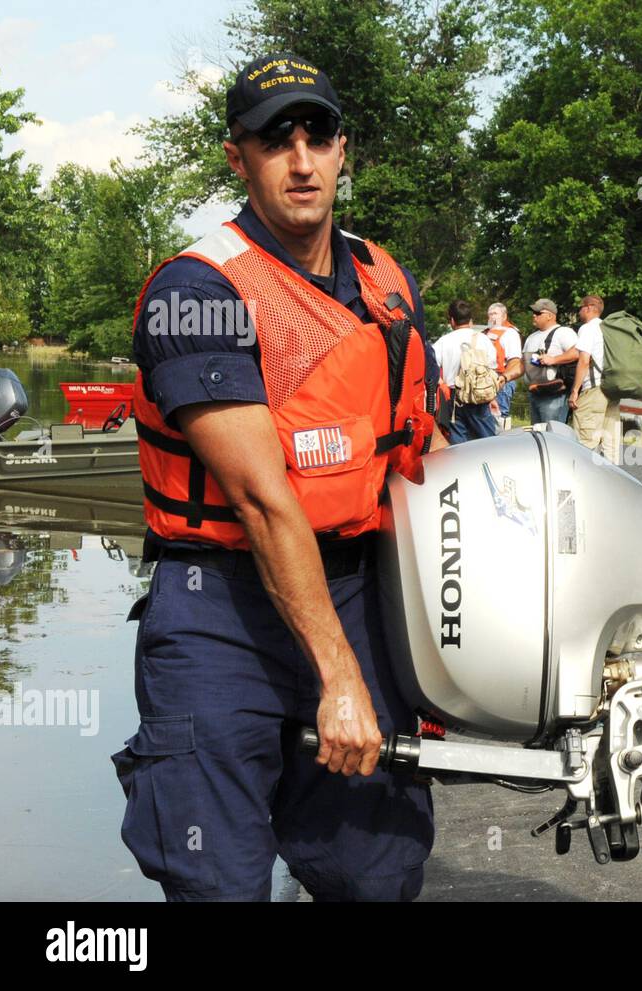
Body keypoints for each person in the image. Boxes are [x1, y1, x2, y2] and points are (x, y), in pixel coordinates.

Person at [115, 52, 444, 902]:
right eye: (274, 139)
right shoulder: (198, 290)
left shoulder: (387, 284)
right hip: (219, 612)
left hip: (356, 596)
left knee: (377, 872)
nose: (301, 160)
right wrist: (340, 679)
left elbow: (424, 452)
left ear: (344, 149)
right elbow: (263, 501)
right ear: (238, 157)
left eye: (318, 135)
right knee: (217, 880)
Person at [433, 300, 516, 444]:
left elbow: (432, 368)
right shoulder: (483, 339)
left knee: (457, 444)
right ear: (471, 320)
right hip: (479, 395)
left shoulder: (443, 341)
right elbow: (492, 369)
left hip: (454, 397)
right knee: (486, 442)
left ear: (452, 320)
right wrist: (492, 397)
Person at [566, 294, 621, 463]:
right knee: (610, 446)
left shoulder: (588, 328)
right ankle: (613, 482)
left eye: (580, 308)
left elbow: (583, 360)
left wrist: (575, 391)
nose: (580, 312)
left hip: (594, 390)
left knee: (585, 443)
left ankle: (583, 482)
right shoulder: (610, 329)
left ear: (589, 308)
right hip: (612, 390)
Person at [524, 298, 578, 426]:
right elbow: (522, 364)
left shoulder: (564, 332)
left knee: (552, 435)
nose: (534, 316)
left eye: (538, 313)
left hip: (554, 396)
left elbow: (577, 352)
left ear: (549, 316)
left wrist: (554, 359)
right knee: (537, 434)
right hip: (534, 393)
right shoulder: (531, 337)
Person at [485, 302, 522, 430]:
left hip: (501, 380)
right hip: (485, 381)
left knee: (498, 417)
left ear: (504, 316)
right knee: (485, 417)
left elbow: (515, 361)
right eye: (490, 314)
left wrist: (504, 380)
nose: (492, 317)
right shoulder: (485, 333)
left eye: (495, 314)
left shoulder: (510, 333)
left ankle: (500, 444)